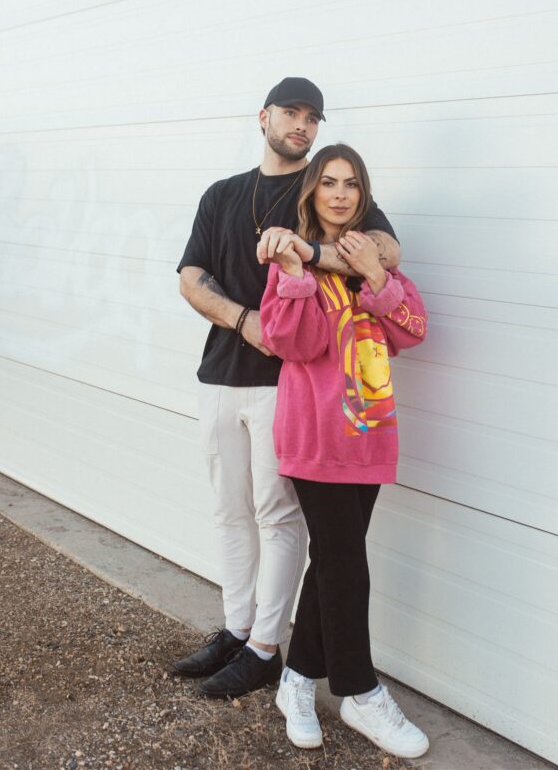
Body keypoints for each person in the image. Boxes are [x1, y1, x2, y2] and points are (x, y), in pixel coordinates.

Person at [173, 79, 401, 698]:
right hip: (220, 373)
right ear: (264, 116)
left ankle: (266, 649)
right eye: (291, 113)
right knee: (229, 512)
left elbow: (384, 249)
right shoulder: (223, 194)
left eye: (312, 117)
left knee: (278, 518)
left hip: (289, 385)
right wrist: (245, 322)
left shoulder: (325, 188)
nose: (301, 125)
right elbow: (191, 277)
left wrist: (306, 248)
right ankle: (236, 627)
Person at [258, 143, 430, 759]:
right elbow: (288, 343)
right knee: (346, 563)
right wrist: (300, 278)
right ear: (312, 193)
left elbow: (413, 331)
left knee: (332, 561)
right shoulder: (292, 262)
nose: (338, 193)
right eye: (327, 182)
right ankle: (359, 691)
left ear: (363, 194)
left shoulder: (374, 259)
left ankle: (297, 681)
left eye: (350, 184)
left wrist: (379, 279)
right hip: (315, 438)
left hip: (370, 435)